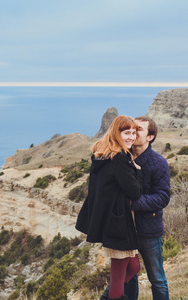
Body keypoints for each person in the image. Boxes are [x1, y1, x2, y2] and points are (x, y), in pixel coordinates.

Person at [100, 116, 171, 300]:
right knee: (129, 276)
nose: (133, 133)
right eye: (131, 130)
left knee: (156, 278)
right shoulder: (121, 157)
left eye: (138, 129)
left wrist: (130, 204)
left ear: (150, 137)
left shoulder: (159, 163)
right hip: (124, 229)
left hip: (148, 229)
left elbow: (162, 197)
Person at [76, 115, 144, 300]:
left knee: (133, 267)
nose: (131, 137)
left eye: (133, 133)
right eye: (126, 133)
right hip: (118, 222)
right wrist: (137, 170)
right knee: (119, 275)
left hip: (109, 219)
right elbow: (135, 192)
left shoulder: (103, 154)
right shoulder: (120, 157)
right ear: (116, 133)